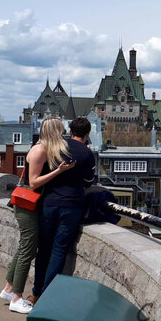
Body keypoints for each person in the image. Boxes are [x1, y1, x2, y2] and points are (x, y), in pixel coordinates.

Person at [0, 118, 75, 314]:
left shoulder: (42, 148)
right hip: (27, 204)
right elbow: (33, 182)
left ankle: (9, 289)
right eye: (61, 131)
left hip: (29, 204)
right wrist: (58, 171)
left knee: (24, 247)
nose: (63, 134)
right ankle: (16, 298)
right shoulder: (40, 150)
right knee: (28, 250)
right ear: (54, 132)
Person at [31, 117, 97, 302]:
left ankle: (36, 292)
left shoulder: (56, 146)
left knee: (43, 249)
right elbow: (89, 181)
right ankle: (46, 295)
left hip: (49, 202)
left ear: (70, 130)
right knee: (59, 249)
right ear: (87, 134)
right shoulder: (86, 153)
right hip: (72, 205)